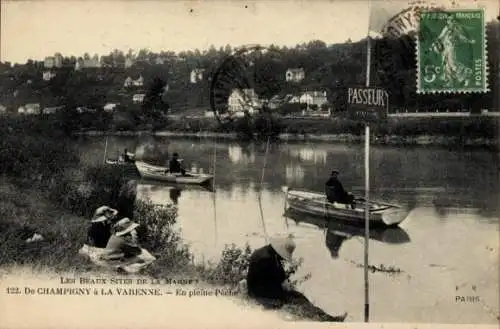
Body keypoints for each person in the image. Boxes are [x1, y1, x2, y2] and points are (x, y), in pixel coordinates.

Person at [246, 234, 347, 322]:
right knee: (299, 302)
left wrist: (288, 288)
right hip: (262, 294)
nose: (283, 258)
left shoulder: (268, 253)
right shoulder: (267, 259)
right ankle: (326, 319)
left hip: (264, 289)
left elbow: (280, 277)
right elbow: (279, 282)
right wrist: (287, 291)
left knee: (299, 297)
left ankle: (327, 318)